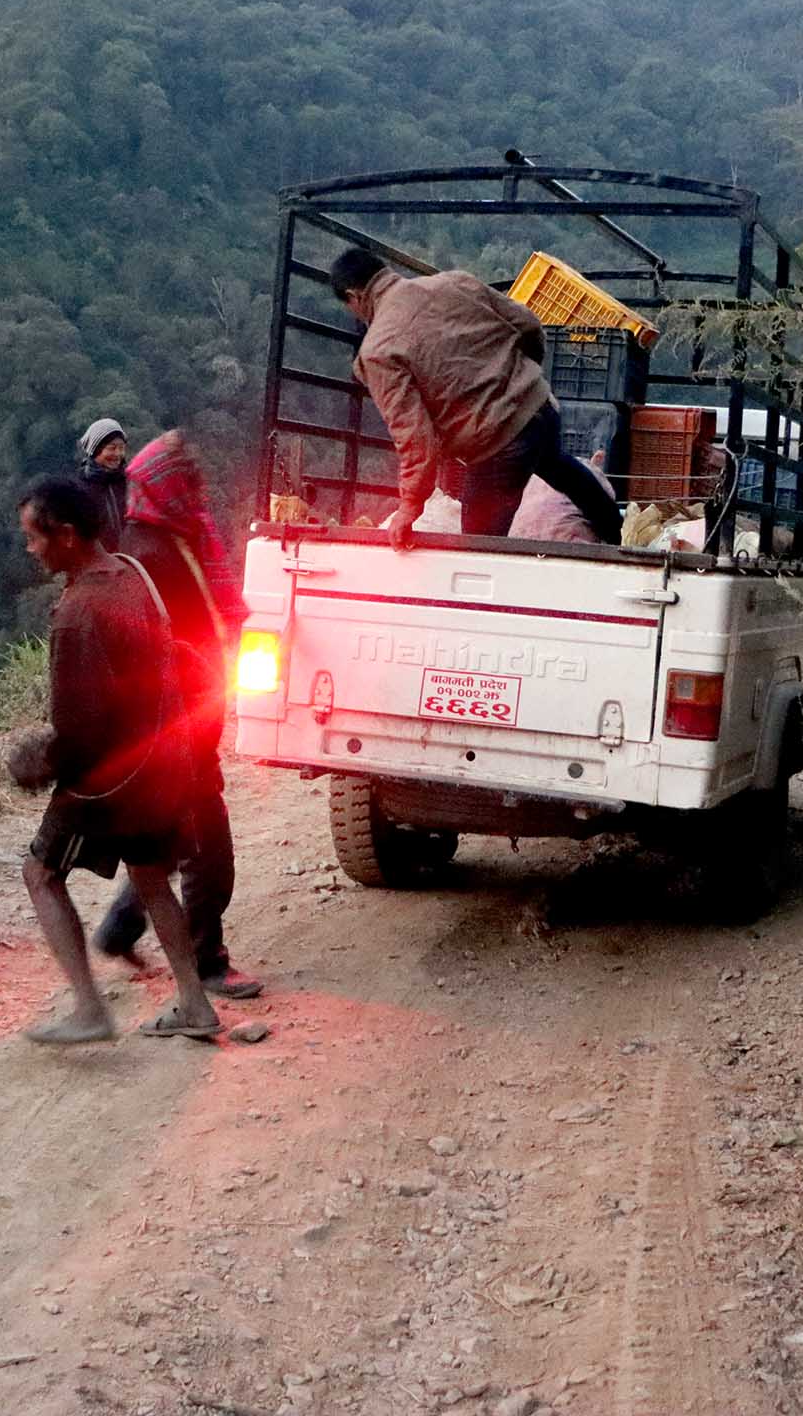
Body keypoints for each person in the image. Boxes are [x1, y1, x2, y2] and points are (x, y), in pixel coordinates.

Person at [9, 478, 220, 1044]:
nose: (31, 549)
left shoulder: (78, 612)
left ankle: (89, 1009)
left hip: (112, 779)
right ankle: (195, 1004)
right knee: (152, 881)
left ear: (68, 536)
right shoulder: (132, 571)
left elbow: (81, 729)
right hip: (159, 762)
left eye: (35, 537)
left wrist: (41, 765)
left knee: (41, 874)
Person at [89, 433, 262, 999]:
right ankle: (207, 960)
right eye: (186, 480)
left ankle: (120, 930)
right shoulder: (153, 553)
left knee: (172, 836)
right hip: (177, 726)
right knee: (209, 849)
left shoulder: (171, 536)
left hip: (184, 721)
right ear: (165, 488)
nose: (198, 490)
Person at [328, 247, 621, 548]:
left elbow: (415, 438)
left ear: (354, 297)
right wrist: (524, 378)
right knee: (561, 469)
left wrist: (410, 506)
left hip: (498, 444)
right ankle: (619, 540)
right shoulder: (453, 283)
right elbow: (529, 324)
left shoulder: (378, 350)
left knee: (478, 548)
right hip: (542, 409)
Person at [507, 450, 618, 545]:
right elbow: (610, 525)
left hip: (517, 547)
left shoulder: (536, 476)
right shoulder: (590, 478)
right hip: (570, 550)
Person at [75, 418, 130, 548]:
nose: (118, 454)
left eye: (121, 448)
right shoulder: (79, 489)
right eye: (112, 448)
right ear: (95, 450)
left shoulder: (130, 482)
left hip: (134, 561)